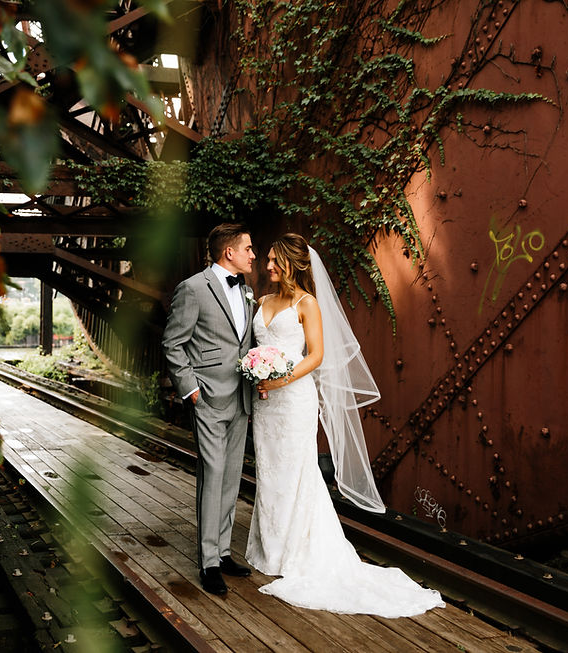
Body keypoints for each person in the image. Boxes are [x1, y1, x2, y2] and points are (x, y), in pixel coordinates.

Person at [247, 233, 445, 617]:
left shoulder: (308, 305)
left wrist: (279, 378)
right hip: (266, 403)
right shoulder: (263, 301)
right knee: (270, 472)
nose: (267, 266)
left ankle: (296, 553)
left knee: (297, 472)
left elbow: (317, 356)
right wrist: (257, 372)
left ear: (291, 263)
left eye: (274, 260)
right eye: (266, 259)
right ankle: (270, 549)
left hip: (293, 400)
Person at [162, 223, 256, 596]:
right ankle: (208, 563)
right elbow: (173, 343)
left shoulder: (247, 291)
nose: (253, 254)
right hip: (208, 397)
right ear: (228, 252)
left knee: (232, 477)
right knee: (212, 474)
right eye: (248, 248)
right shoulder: (193, 288)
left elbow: (242, 341)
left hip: (242, 397)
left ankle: (223, 551)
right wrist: (190, 390)